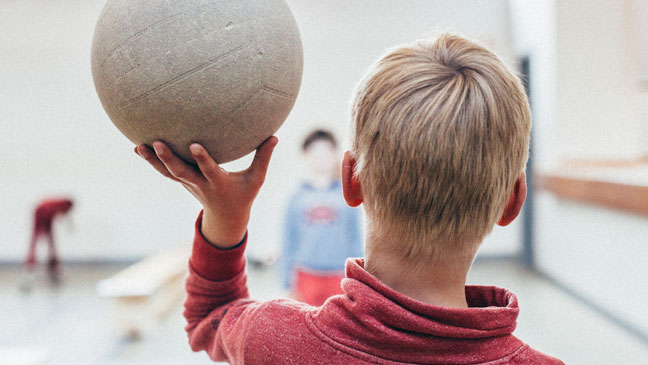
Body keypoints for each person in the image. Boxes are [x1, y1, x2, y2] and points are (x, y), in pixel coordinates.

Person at [135, 33, 563, 364]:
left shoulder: (277, 341)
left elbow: (211, 315)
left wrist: (224, 218)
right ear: (513, 201)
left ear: (351, 180)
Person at [279, 129, 363, 306]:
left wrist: (359, 279)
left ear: (335, 154)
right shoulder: (296, 198)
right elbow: (288, 240)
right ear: (306, 155)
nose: (321, 157)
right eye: (315, 152)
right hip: (306, 276)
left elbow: (356, 238)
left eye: (326, 151)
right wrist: (286, 281)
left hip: (339, 276)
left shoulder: (347, 196)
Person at [24, 198, 74, 283]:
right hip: (43, 215)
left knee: (42, 241)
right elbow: (63, 215)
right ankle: (34, 265)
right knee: (44, 241)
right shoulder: (61, 205)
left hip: (43, 214)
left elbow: (63, 215)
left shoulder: (57, 204)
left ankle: (50, 267)